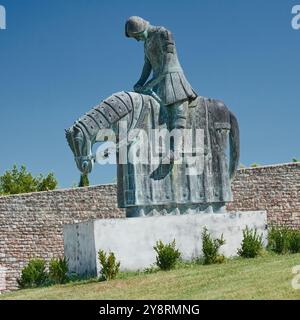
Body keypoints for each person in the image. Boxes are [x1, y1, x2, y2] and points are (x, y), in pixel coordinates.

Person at [125, 16, 198, 162]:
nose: (137, 40)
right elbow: (147, 65)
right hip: (156, 81)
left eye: (137, 36)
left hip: (172, 78)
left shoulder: (163, 33)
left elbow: (167, 64)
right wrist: (139, 82)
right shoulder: (146, 43)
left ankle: (176, 150)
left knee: (177, 111)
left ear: (141, 28)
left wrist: (149, 84)